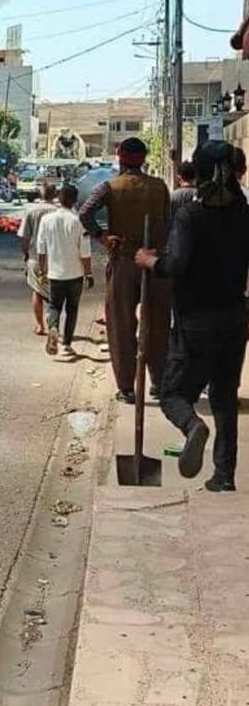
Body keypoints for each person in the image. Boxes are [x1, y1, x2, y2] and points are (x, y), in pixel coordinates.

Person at [136, 141, 249, 491]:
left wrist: (150, 261)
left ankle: (192, 427)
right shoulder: (245, 215)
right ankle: (224, 476)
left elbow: (177, 265)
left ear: (199, 173)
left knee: (172, 394)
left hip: (195, 320)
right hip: (235, 316)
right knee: (225, 397)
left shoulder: (191, 215)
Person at [79, 137, 170, 404]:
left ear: (120, 158)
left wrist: (102, 236)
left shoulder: (109, 186)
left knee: (121, 324)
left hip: (124, 261)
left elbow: (85, 213)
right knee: (158, 325)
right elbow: (168, 221)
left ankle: (127, 387)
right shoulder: (160, 186)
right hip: (155, 262)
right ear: (143, 159)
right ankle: (159, 382)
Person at [37, 183, 93, 360]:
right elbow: (85, 252)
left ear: (59, 198)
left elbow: (41, 248)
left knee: (54, 306)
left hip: (55, 274)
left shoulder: (47, 220)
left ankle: (53, 327)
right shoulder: (78, 221)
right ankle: (67, 345)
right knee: (72, 309)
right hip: (75, 274)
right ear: (75, 200)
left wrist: (42, 270)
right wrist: (89, 273)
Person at [18, 181, 58, 335]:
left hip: (35, 257)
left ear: (40, 194)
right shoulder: (60, 211)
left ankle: (40, 325)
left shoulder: (31, 211)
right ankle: (54, 324)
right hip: (56, 258)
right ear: (55, 194)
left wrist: (26, 253)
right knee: (56, 292)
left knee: (37, 291)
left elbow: (24, 237)